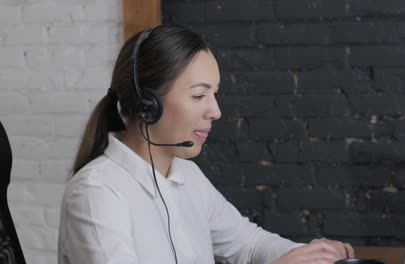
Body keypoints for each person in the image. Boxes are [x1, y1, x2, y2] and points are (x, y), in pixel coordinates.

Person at [58, 24, 355, 264]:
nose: (215, 111)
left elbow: (249, 245)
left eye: (215, 93)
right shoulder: (96, 193)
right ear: (147, 103)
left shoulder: (187, 177)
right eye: (199, 96)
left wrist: (311, 256)